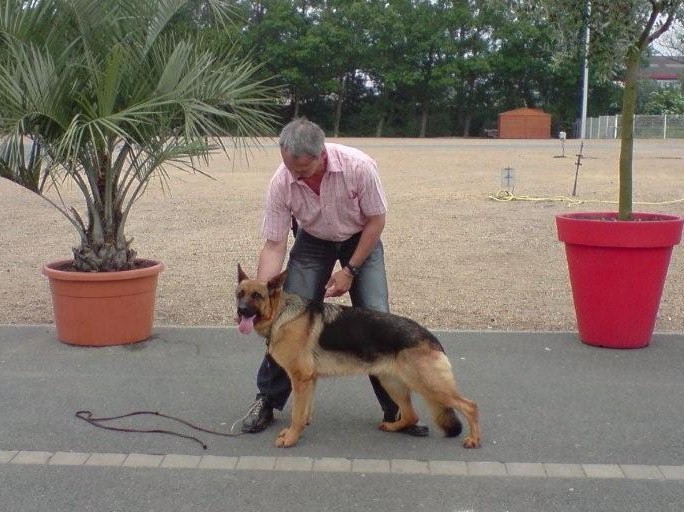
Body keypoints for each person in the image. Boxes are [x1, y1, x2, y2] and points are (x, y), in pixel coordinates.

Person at [241, 118, 428, 437]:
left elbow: (376, 221)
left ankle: (394, 408)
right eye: (288, 167)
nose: (294, 176)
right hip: (313, 240)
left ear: (321, 155)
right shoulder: (282, 180)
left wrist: (350, 271)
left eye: (301, 170)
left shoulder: (359, 167)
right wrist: (260, 296)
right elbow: (274, 244)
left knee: (377, 316)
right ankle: (269, 402)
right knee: (286, 325)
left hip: (360, 237)